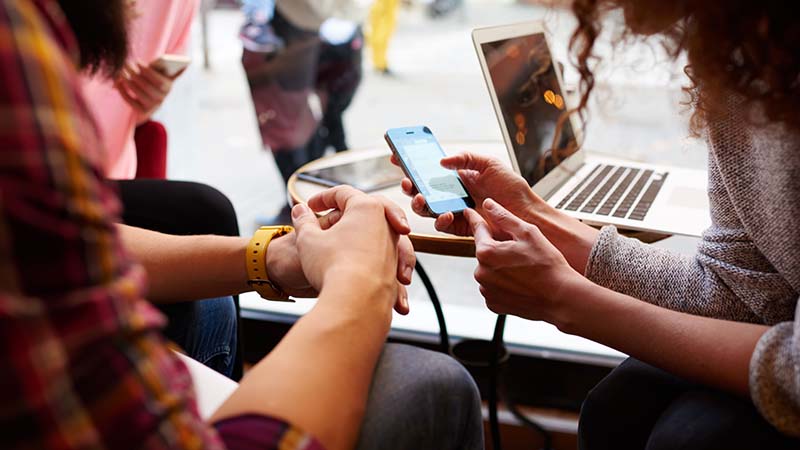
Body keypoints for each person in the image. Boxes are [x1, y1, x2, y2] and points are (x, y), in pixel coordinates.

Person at [0, 1, 485, 449]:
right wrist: (360, 286)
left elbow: (61, 249)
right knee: (435, 384)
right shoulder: (16, 40)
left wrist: (276, 258)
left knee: (202, 222)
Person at [397, 1, 800, 448]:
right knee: (619, 407)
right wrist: (534, 215)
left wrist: (566, 301)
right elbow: (743, 291)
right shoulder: (738, 62)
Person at [80, 0, 241, 378]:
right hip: (60, 175)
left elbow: (135, 103)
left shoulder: (179, 5)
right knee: (207, 212)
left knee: (208, 218)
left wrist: (149, 101)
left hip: (111, 168)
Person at [367, 0, 399, 75]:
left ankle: (379, 63)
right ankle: (380, 64)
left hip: (382, 9)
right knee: (381, 38)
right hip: (384, 10)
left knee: (379, 37)